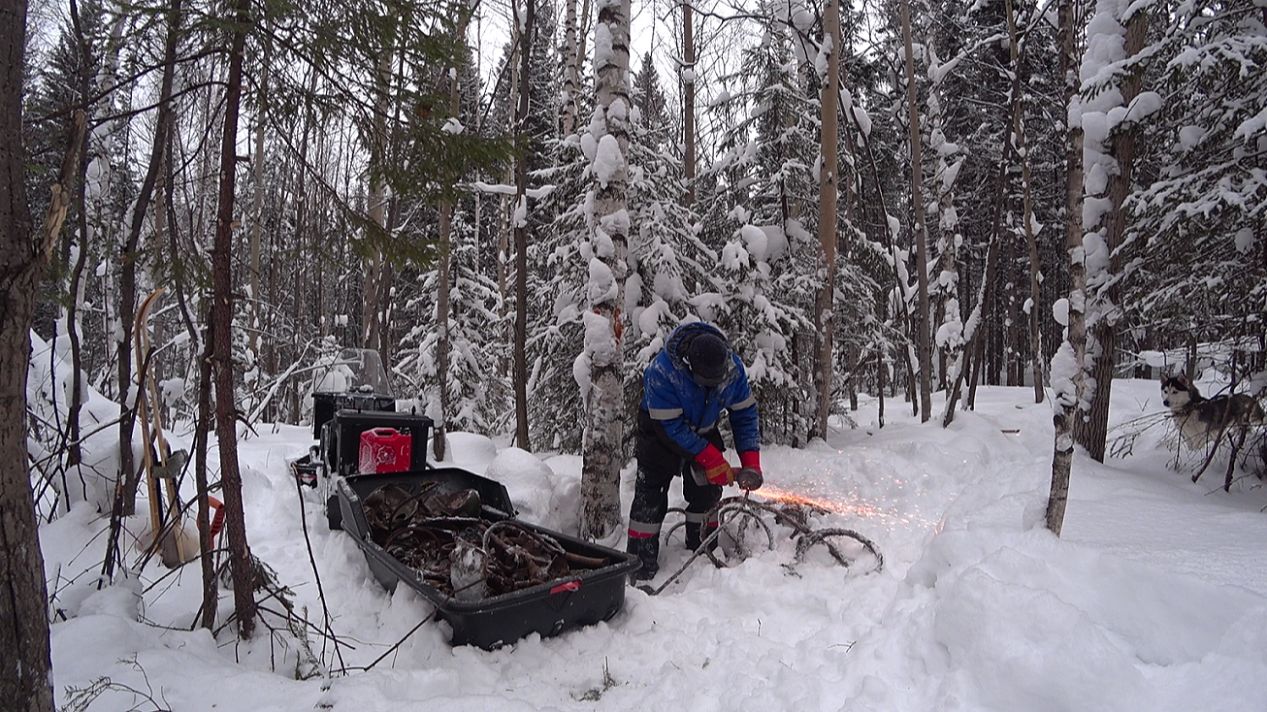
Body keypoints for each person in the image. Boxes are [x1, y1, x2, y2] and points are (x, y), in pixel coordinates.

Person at [626, 321, 763, 581]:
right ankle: (640, 565)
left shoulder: (732, 369)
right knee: (650, 494)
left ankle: (702, 547)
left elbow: (744, 414)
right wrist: (710, 458)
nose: (711, 387)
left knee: (707, 492)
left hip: (704, 427)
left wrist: (751, 462)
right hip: (660, 428)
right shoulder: (662, 372)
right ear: (689, 366)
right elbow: (671, 428)